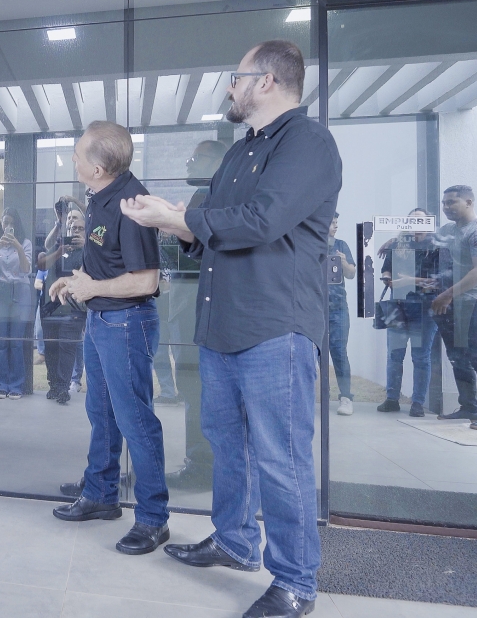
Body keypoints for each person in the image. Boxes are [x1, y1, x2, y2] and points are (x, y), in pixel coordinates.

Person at [122, 40, 340, 617]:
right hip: (222, 325)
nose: (230, 87)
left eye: (237, 77)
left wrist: (183, 218)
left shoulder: (308, 142)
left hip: (275, 327)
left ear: (266, 81)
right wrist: (171, 220)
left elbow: (261, 221)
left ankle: (296, 582)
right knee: (227, 444)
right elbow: (211, 228)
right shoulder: (240, 151)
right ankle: (236, 540)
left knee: (281, 458)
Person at [49, 121, 169, 558]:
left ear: (98, 168)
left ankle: (153, 519)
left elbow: (146, 281)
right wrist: (77, 281)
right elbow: (109, 262)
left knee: (135, 420)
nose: (73, 160)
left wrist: (93, 288)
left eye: (78, 154)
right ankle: (100, 493)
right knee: (100, 411)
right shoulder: (99, 197)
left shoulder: (132, 205)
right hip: (102, 320)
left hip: (126, 324)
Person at [157, 140, 227, 492]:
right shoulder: (206, 196)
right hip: (190, 308)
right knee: (192, 386)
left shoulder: (214, 199)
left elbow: (196, 254)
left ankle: (202, 465)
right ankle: (202, 463)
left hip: (200, 311)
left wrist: (169, 229)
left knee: (196, 386)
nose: (188, 163)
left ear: (217, 162)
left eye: (195, 157)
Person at [430, 185, 477, 430]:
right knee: (458, 355)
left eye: (452, 202)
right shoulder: (449, 230)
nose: (446, 207)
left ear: (469, 202)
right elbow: (426, 240)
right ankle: (469, 407)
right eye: (444, 203)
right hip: (457, 301)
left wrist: (447, 294)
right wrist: (397, 240)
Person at [377, 208, 438, 417]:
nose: (416, 225)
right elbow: (386, 268)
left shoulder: (436, 246)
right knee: (394, 355)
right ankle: (392, 399)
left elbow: (439, 281)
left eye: (420, 221)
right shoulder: (399, 244)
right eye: (412, 221)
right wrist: (387, 277)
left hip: (425, 308)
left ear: (429, 223)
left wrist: (409, 281)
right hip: (398, 305)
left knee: (420, 356)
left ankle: (417, 403)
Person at [38, 209, 86, 404]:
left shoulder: (90, 250)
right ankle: (53, 385)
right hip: (50, 307)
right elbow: (42, 265)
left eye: (79, 228)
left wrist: (87, 246)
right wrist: (59, 251)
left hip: (73, 308)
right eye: (72, 227)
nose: (75, 230)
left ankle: (63, 388)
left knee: (67, 347)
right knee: (50, 347)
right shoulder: (59, 245)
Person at [0, 208, 34, 399]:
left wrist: (18, 247)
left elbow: (26, 269)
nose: (8, 226)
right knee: (1, 341)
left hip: (20, 292)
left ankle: (16, 385)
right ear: (0, 223)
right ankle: (0, 384)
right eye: (5, 222)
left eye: (12, 223)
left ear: (17, 225)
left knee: (15, 342)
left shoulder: (25, 243)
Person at [327, 213, 357, 415]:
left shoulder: (341, 245)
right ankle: (317, 395)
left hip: (338, 307)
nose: (336, 226)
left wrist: (343, 262)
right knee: (312, 353)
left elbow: (351, 273)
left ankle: (346, 397)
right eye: (332, 222)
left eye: (337, 222)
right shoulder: (310, 244)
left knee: (339, 351)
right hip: (313, 307)